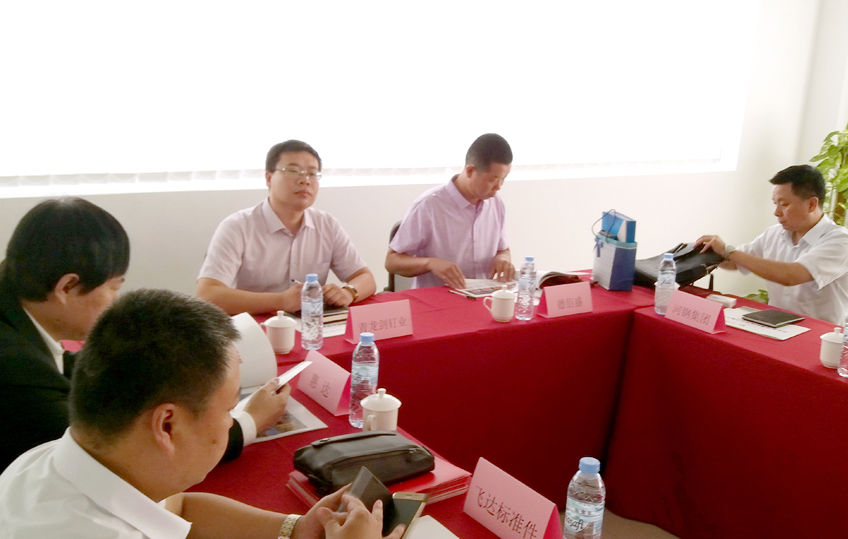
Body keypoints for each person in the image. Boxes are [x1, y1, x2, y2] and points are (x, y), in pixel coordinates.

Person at [0, 289, 403, 539]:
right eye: (228, 409)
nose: (231, 422)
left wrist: (296, 529)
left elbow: (180, 508)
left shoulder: (47, 460)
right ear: (167, 425)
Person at [0, 198, 287, 472]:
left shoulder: (12, 297)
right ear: (66, 287)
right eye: (113, 287)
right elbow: (118, 455)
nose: (115, 300)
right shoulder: (17, 370)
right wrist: (250, 420)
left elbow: (64, 366)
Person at [197, 139, 376, 315]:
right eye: (293, 171)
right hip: (254, 327)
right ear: (269, 178)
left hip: (310, 326)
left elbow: (365, 278)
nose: (305, 180)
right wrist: (281, 301)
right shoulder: (237, 227)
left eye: (312, 173)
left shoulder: (327, 225)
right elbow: (208, 295)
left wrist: (349, 292)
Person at [697, 165, 848, 325]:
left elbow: (791, 275)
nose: (776, 212)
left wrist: (729, 251)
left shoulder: (841, 241)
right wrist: (705, 252)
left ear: (811, 204)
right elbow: (734, 262)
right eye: (775, 203)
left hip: (820, 336)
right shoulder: (774, 233)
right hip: (775, 327)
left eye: (784, 204)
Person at [385, 133, 515, 289]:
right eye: (493, 179)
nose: (499, 186)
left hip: (483, 297)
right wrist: (430, 263)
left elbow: (503, 249)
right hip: (437, 299)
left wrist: (503, 259)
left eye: (503, 178)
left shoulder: (496, 204)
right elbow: (391, 261)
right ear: (470, 171)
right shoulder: (429, 205)